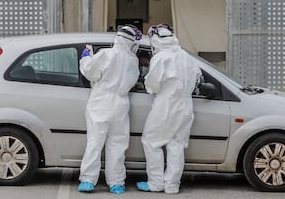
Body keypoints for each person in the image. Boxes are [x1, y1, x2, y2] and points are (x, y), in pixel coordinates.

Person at [136, 24, 201, 194]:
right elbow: (196, 79)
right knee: (176, 145)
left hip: (167, 104)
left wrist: (146, 82)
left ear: (156, 39)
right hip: (186, 106)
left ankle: (156, 183)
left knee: (151, 142)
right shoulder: (186, 57)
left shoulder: (161, 57)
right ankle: (172, 185)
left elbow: (152, 85)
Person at [78, 25, 142, 194]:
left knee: (94, 143)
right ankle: (116, 183)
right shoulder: (133, 61)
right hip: (120, 105)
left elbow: (89, 72)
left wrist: (85, 58)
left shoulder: (106, 54)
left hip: (100, 103)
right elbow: (133, 80)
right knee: (118, 145)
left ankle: (88, 181)